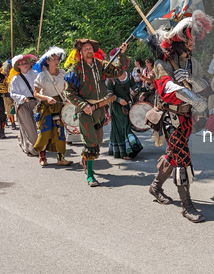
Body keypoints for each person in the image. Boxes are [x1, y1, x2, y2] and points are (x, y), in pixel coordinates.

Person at [146, 10, 213, 223]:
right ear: (179, 39)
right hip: (170, 118)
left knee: (173, 155)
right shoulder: (161, 63)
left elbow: (205, 85)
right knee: (183, 158)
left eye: (194, 40)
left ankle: (155, 186)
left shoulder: (192, 62)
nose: (192, 44)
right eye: (189, 40)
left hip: (187, 118)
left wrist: (192, 80)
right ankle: (187, 206)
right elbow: (168, 89)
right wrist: (195, 99)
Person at [64, 38, 128, 187]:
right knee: (91, 143)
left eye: (90, 48)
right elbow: (68, 92)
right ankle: (90, 176)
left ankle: (86, 160)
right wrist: (82, 104)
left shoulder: (101, 65)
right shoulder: (75, 69)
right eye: (85, 48)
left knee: (97, 142)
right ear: (80, 52)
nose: (88, 50)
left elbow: (119, 71)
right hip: (85, 111)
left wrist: (122, 54)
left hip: (99, 109)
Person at [31, 47, 72, 167]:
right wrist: (47, 98)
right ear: (47, 61)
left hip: (60, 104)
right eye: (53, 59)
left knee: (60, 132)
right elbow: (35, 93)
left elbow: (65, 89)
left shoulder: (63, 73)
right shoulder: (42, 76)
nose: (56, 61)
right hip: (46, 105)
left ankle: (61, 158)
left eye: (57, 59)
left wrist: (67, 100)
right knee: (45, 132)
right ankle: (42, 156)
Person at [106, 53, 143, 159]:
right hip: (117, 108)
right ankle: (127, 150)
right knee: (123, 127)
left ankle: (122, 150)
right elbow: (109, 94)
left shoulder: (128, 75)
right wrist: (118, 99)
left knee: (125, 126)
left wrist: (147, 89)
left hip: (127, 106)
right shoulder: (111, 79)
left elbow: (135, 87)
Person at [9, 54, 39, 156]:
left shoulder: (36, 74)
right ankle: (32, 149)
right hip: (23, 104)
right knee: (29, 128)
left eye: (25, 63)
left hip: (36, 103)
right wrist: (22, 98)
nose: (24, 65)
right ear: (18, 66)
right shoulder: (15, 79)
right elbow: (13, 93)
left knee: (39, 126)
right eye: (21, 64)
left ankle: (27, 144)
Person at [1, 61, 17, 130]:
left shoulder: (15, 74)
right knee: (9, 109)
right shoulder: (3, 75)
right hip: (6, 94)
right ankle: (12, 122)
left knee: (15, 108)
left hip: (15, 93)